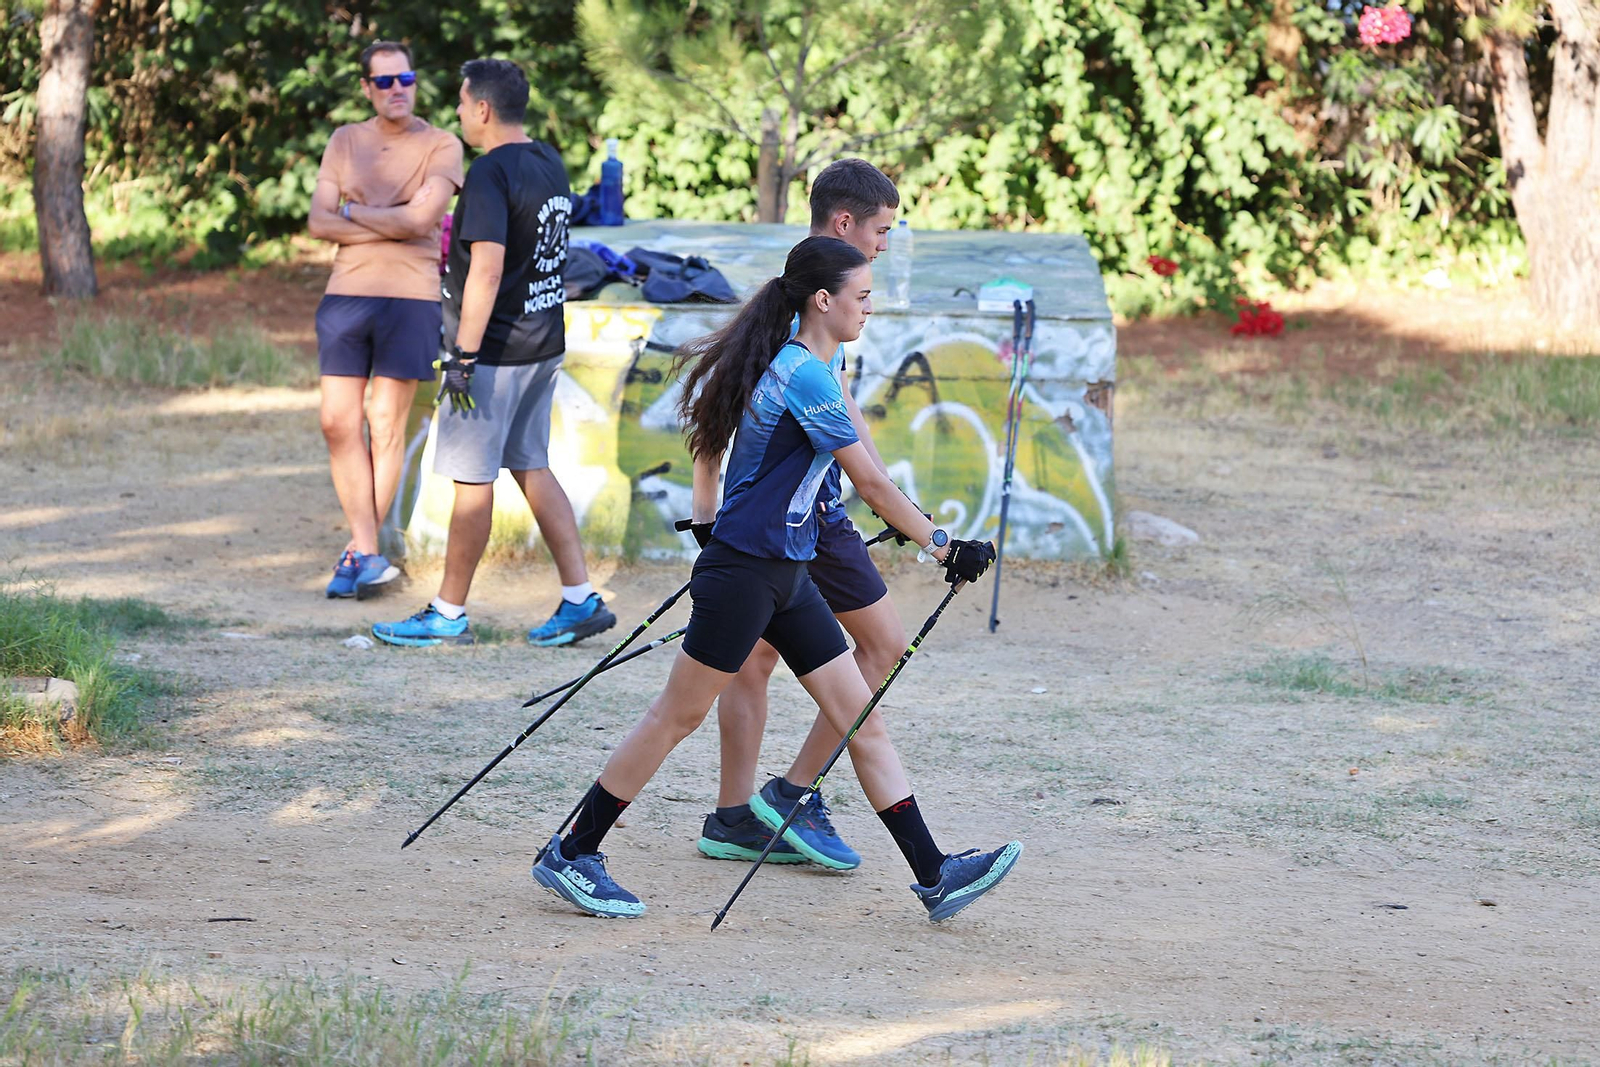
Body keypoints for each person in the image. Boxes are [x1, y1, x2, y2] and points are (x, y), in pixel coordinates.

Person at [530, 236, 1021, 923]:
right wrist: (943, 545)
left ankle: (935, 874)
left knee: (862, 718)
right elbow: (870, 481)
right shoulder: (804, 375)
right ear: (824, 300)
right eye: (863, 295)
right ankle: (571, 850)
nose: (870, 308)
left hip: (785, 575)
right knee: (677, 715)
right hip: (744, 573)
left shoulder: (814, 362)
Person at [693, 159, 909, 869]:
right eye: (880, 230)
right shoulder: (815, 295)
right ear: (844, 223)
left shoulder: (823, 284)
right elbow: (717, 411)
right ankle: (786, 794)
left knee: (755, 658)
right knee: (878, 644)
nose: (884, 244)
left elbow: (842, 421)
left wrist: (882, 487)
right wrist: (707, 516)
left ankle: (742, 810)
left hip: (809, 515)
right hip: (794, 522)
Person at [372, 58, 615, 648]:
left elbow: (485, 270)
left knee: (472, 479)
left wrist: (462, 356)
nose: (457, 112)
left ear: (481, 108)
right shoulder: (548, 160)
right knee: (531, 464)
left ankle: (448, 613)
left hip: (496, 353)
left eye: (460, 103)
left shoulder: (489, 172)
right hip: (541, 343)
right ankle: (581, 598)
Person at [308, 41, 464, 600]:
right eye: (384, 81)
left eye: (406, 78)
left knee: (385, 420)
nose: (397, 89)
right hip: (347, 292)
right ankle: (364, 545)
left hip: (410, 296)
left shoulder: (442, 144)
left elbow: (425, 219)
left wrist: (351, 211)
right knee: (336, 421)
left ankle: (363, 552)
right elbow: (317, 222)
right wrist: (392, 221)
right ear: (367, 88)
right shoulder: (345, 141)